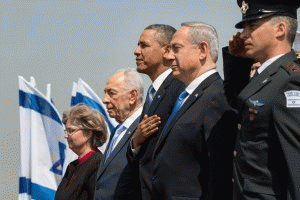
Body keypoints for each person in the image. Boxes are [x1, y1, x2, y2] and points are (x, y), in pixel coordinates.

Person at [141, 22, 237, 200]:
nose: (169, 56)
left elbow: (219, 175)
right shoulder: (184, 96)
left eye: (176, 48)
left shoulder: (216, 98)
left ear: (202, 50)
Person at [222, 1, 300, 199]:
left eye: (252, 26)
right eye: (244, 27)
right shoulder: (267, 75)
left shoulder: (290, 81)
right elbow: (237, 106)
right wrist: (238, 61)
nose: (243, 34)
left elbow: (296, 163)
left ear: (280, 30)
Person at [124, 24, 184, 200]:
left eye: (144, 45)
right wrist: (135, 142)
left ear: (167, 50)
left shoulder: (179, 89)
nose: (136, 51)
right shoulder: (153, 94)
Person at [93, 68, 143, 200]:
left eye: (112, 93)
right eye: (105, 93)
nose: (105, 100)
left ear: (132, 96)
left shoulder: (144, 126)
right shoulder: (117, 131)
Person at [55, 104, 108, 200]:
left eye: (71, 131)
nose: (66, 136)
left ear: (88, 133)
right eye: (66, 131)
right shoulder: (72, 166)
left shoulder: (97, 164)